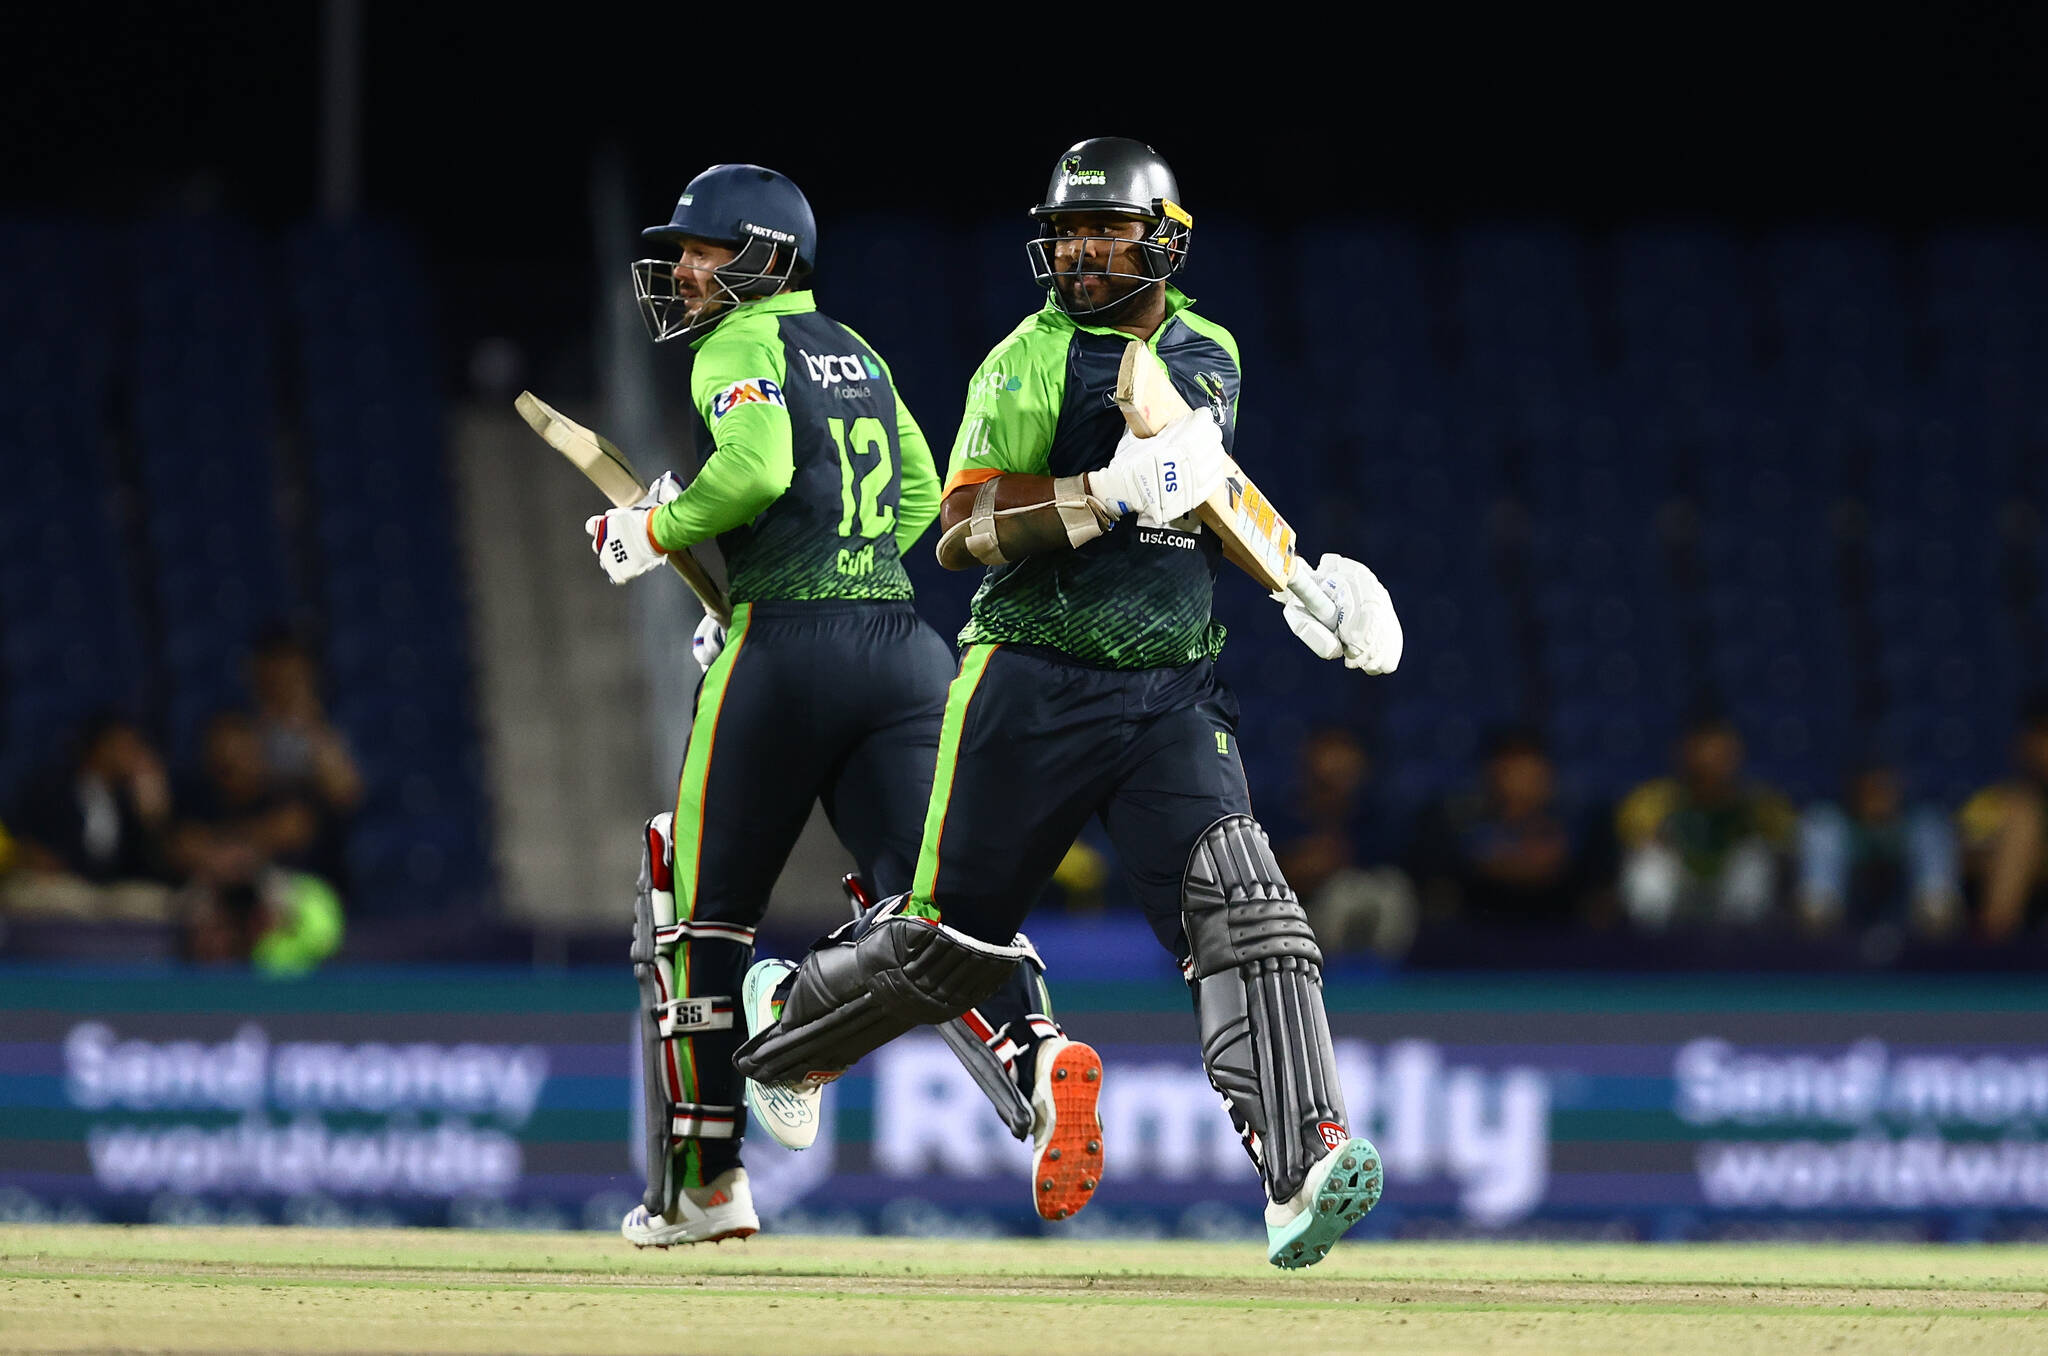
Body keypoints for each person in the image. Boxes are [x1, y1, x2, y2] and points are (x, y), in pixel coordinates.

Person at [733, 138, 1403, 1270]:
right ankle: (790, 1026)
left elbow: (1205, 482)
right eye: (1071, 234)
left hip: (1170, 692)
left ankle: (1300, 1167)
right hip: (1028, 683)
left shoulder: (1208, 350)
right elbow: (960, 530)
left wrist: (1306, 585)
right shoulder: (1026, 359)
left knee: (1250, 911)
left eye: (1109, 232)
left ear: (1162, 240)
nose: (1087, 254)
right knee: (952, 946)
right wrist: (1098, 494)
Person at [586, 163, 1103, 1248]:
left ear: (768, 258)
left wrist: (661, 533)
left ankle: (705, 1186)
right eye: (679, 249)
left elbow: (758, 467)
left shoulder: (741, 344)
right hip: (902, 648)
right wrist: (835, 561)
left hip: (786, 654)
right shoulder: (853, 349)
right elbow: (918, 486)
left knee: (697, 913)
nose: (682, 269)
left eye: (704, 250)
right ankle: (1037, 1051)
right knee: (932, 907)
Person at [1616, 712, 1796, 929]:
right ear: (1686, 755)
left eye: (1721, 754)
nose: (1712, 762)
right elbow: (1629, 844)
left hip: (1728, 896)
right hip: (1679, 890)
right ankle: (1649, 949)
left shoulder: (1759, 804)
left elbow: (1787, 848)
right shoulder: (1652, 800)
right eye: (1705, 752)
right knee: (1649, 865)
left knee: (1754, 861)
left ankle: (1745, 950)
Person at [1408, 727, 1586, 930]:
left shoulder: (1574, 818)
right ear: (1492, 771)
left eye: (1529, 769)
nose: (1520, 779)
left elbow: (1577, 876)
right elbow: (1446, 877)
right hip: (1472, 933)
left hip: (1559, 934)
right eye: (1511, 768)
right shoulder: (1455, 819)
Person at [1797, 762, 1960, 955]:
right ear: (1856, 794)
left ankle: (1936, 948)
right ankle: (1820, 938)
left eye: (1883, 791)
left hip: (1914, 928)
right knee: (1822, 823)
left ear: (1897, 793)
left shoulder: (1919, 827)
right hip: (1837, 929)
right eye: (1870, 791)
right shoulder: (1831, 828)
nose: (1877, 799)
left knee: (1931, 824)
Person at [9, 714, 174, 885]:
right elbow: (22, 839)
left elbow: (148, 868)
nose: (134, 755)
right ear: (99, 747)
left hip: (108, 898)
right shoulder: (50, 788)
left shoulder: (129, 801)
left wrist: (153, 820)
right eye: (123, 746)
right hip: (54, 889)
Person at [1958, 694, 2048, 940]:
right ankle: (1996, 952)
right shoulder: (1998, 802)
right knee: (2022, 818)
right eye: (2042, 737)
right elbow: (1960, 857)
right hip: (2012, 917)